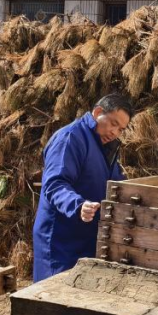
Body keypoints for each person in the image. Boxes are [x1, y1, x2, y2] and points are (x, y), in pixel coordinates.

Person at [31, 93, 133, 282]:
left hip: (86, 235)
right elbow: (54, 184)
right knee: (53, 297)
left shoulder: (106, 147)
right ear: (97, 112)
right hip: (60, 238)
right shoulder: (71, 138)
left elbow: (115, 183)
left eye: (121, 129)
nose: (115, 132)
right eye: (113, 123)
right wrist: (78, 205)